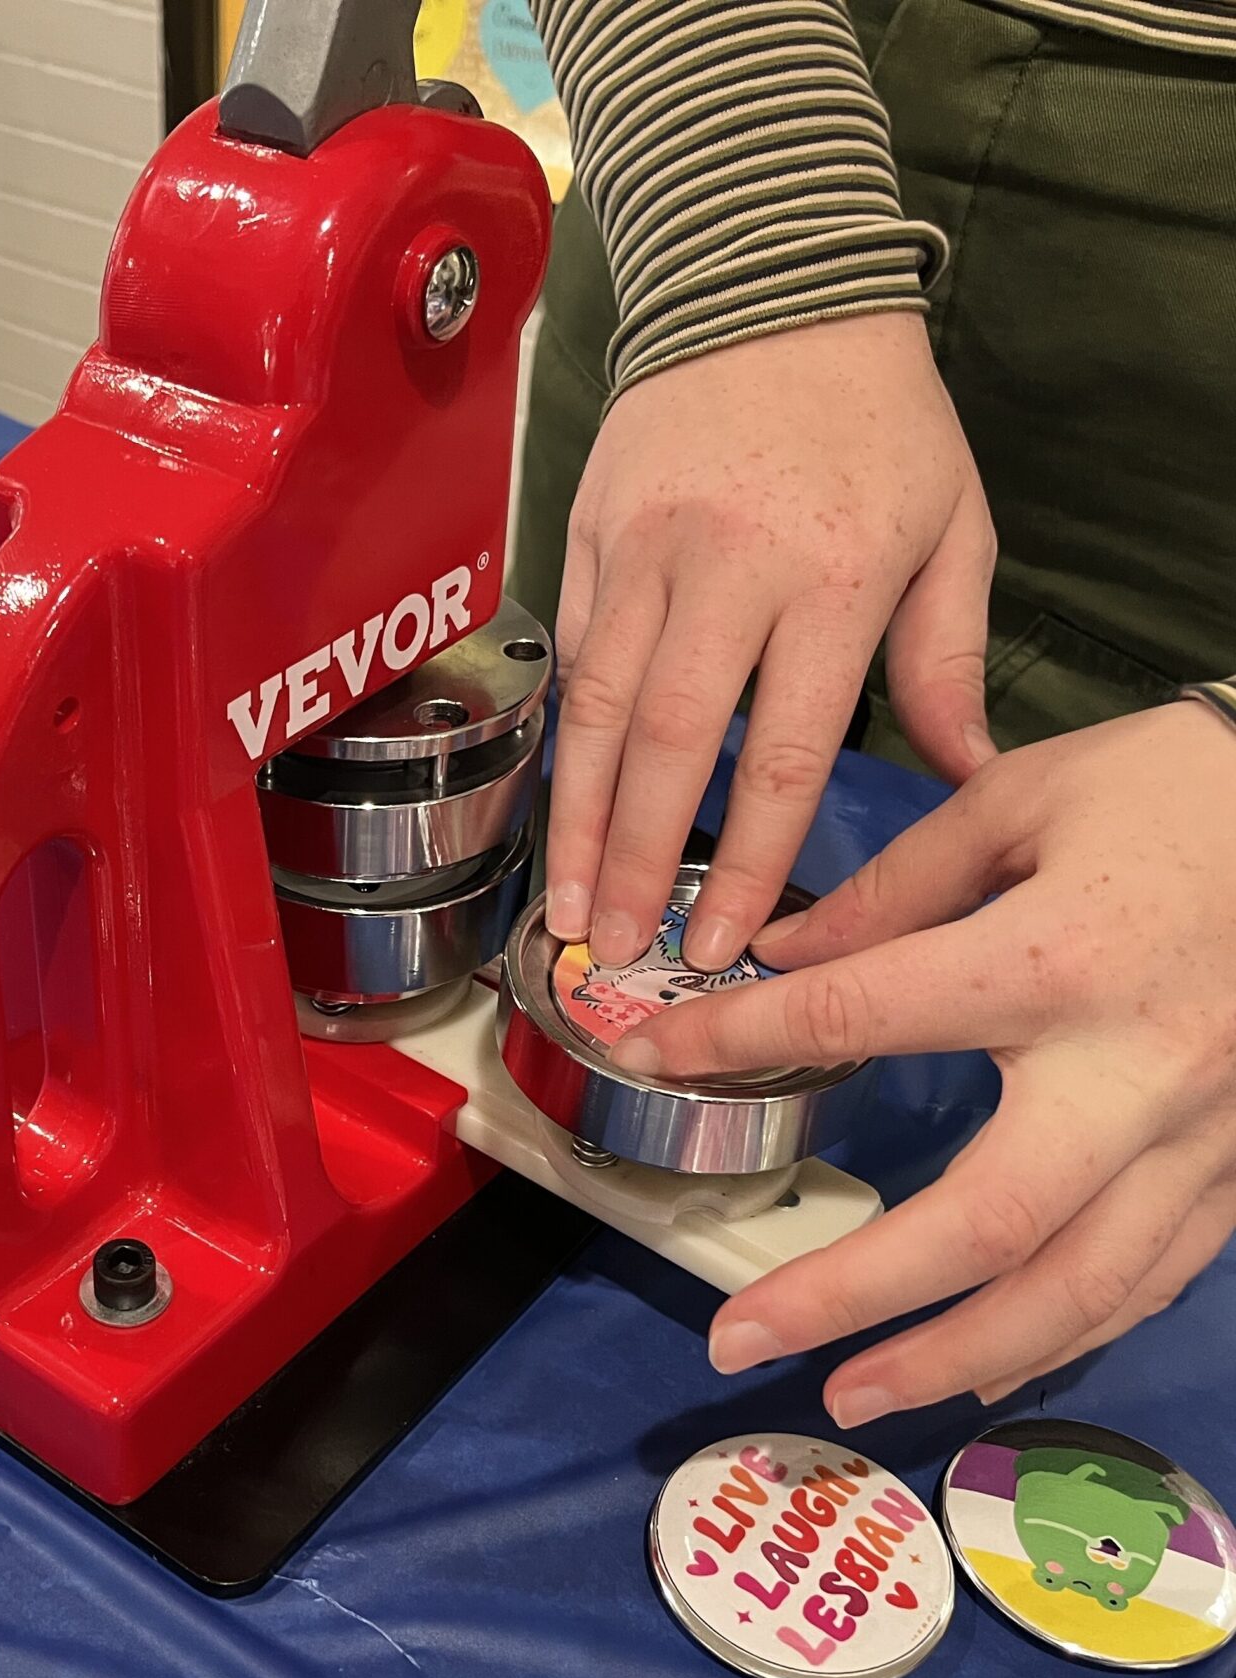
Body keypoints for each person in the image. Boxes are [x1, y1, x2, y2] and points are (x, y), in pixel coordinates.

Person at [517, 0, 1236, 1427]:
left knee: (1050, 1214)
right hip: (699, 193)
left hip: (1189, 540)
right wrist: (744, 240)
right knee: (557, 879)